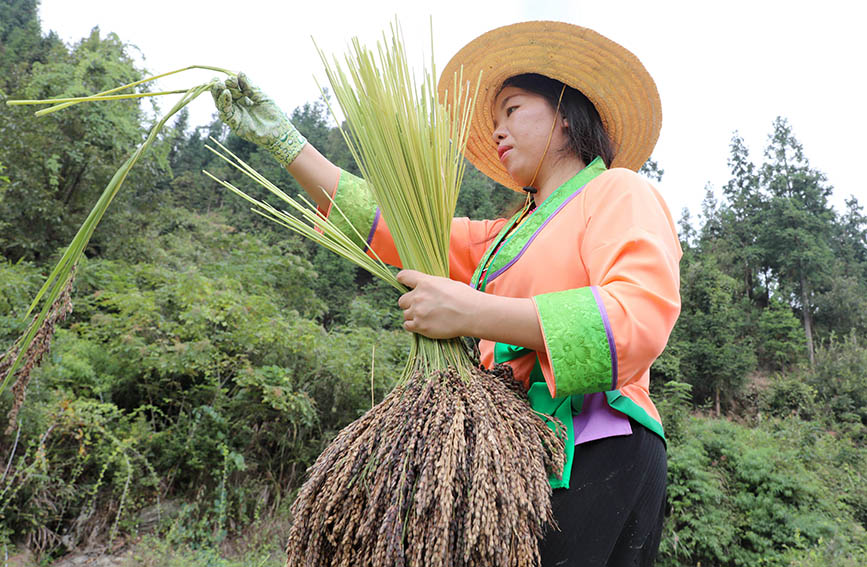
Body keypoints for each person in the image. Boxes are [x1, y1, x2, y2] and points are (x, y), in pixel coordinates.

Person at [211, 20, 681, 567]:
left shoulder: (618, 191)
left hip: (603, 446)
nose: (498, 130)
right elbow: (387, 224)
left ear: (563, 113)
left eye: (512, 110)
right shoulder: (502, 237)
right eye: (494, 119)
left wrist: (470, 312)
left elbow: (636, 317)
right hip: (523, 455)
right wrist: (286, 143)